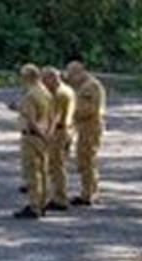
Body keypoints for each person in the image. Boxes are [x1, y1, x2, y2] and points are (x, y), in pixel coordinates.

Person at [14, 64, 55, 219]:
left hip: (32, 136)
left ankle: (34, 205)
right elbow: (52, 116)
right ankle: (43, 203)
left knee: (31, 171)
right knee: (43, 172)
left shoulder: (30, 94)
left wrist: (40, 134)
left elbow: (31, 120)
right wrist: (48, 135)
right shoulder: (46, 93)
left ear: (27, 77)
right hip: (44, 134)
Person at [66, 61, 107, 207]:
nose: (69, 78)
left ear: (80, 72)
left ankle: (89, 194)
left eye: (71, 75)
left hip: (91, 126)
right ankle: (88, 191)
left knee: (87, 158)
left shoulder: (91, 86)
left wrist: (70, 114)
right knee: (83, 159)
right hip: (83, 126)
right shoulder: (81, 86)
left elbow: (89, 109)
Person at [42, 66, 76, 213]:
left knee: (56, 166)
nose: (42, 83)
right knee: (57, 165)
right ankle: (57, 195)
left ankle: (60, 198)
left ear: (52, 78)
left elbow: (54, 117)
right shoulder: (67, 90)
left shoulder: (59, 94)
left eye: (44, 79)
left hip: (59, 132)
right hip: (66, 130)